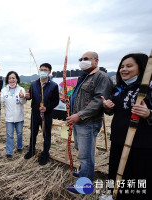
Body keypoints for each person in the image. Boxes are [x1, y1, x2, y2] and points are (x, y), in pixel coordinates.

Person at [102, 53, 152, 199]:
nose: (124, 69)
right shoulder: (119, 89)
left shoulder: (148, 88)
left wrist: (148, 113)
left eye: (129, 66)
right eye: (122, 66)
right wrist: (108, 107)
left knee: (138, 179)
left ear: (141, 67)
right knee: (117, 174)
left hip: (141, 145)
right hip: (118, 140)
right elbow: (113, 111)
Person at [65, 51, 113, 193]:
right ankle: (84, 173)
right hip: (78, 122)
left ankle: (84, 186)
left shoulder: (101, 77)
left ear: (96, 61)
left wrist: (79, 115)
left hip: (88, 122)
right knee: (81, 151)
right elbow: (81, 97)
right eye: (81, 59)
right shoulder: (84, 77)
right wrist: (68, 99)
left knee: (86, 156)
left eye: (86, 59)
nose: (82, 61)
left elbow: (98, 100)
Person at [24, 63, 59, 165]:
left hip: (47, 115)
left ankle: (45, 154)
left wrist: (47, 108)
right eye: (41, 69)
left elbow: (56, 101)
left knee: (46, 134)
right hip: (35, 113)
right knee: (33, 133)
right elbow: (30, 97)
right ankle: (31, 150)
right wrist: (27, 96)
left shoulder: (53, 85)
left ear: (49, 72)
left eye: (45, 70)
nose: (43, 71)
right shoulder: (34, 84)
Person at [0, 71, 26, 157]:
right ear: (7, 80)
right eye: (9, 78)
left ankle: (19, 146)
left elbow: (23, 102)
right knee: (9, 135)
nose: (11, 80)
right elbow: (0, 101)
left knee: (19, 133)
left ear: (17, 79)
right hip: (9, 117)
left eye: (13, 78)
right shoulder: (4, 90)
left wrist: (22, 97)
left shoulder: (21, 89)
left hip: (19, 116)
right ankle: (9, 152)